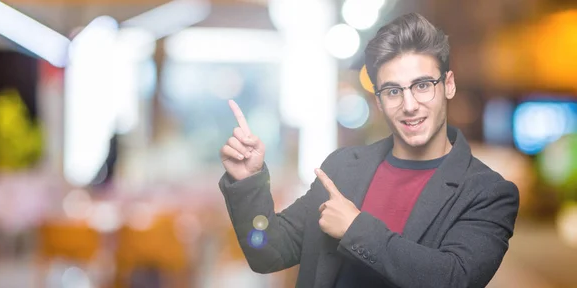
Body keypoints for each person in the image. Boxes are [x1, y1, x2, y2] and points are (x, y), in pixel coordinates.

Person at [218, 13, 519, 288]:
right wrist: (248, 182)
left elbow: (454, 279)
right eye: (392, 91)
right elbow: (267, 251)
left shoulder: (486, 191)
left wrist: (355, 228)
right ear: (378, 100)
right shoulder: (342, 169)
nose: (410, 105)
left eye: (423, 85)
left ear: (448, 85)